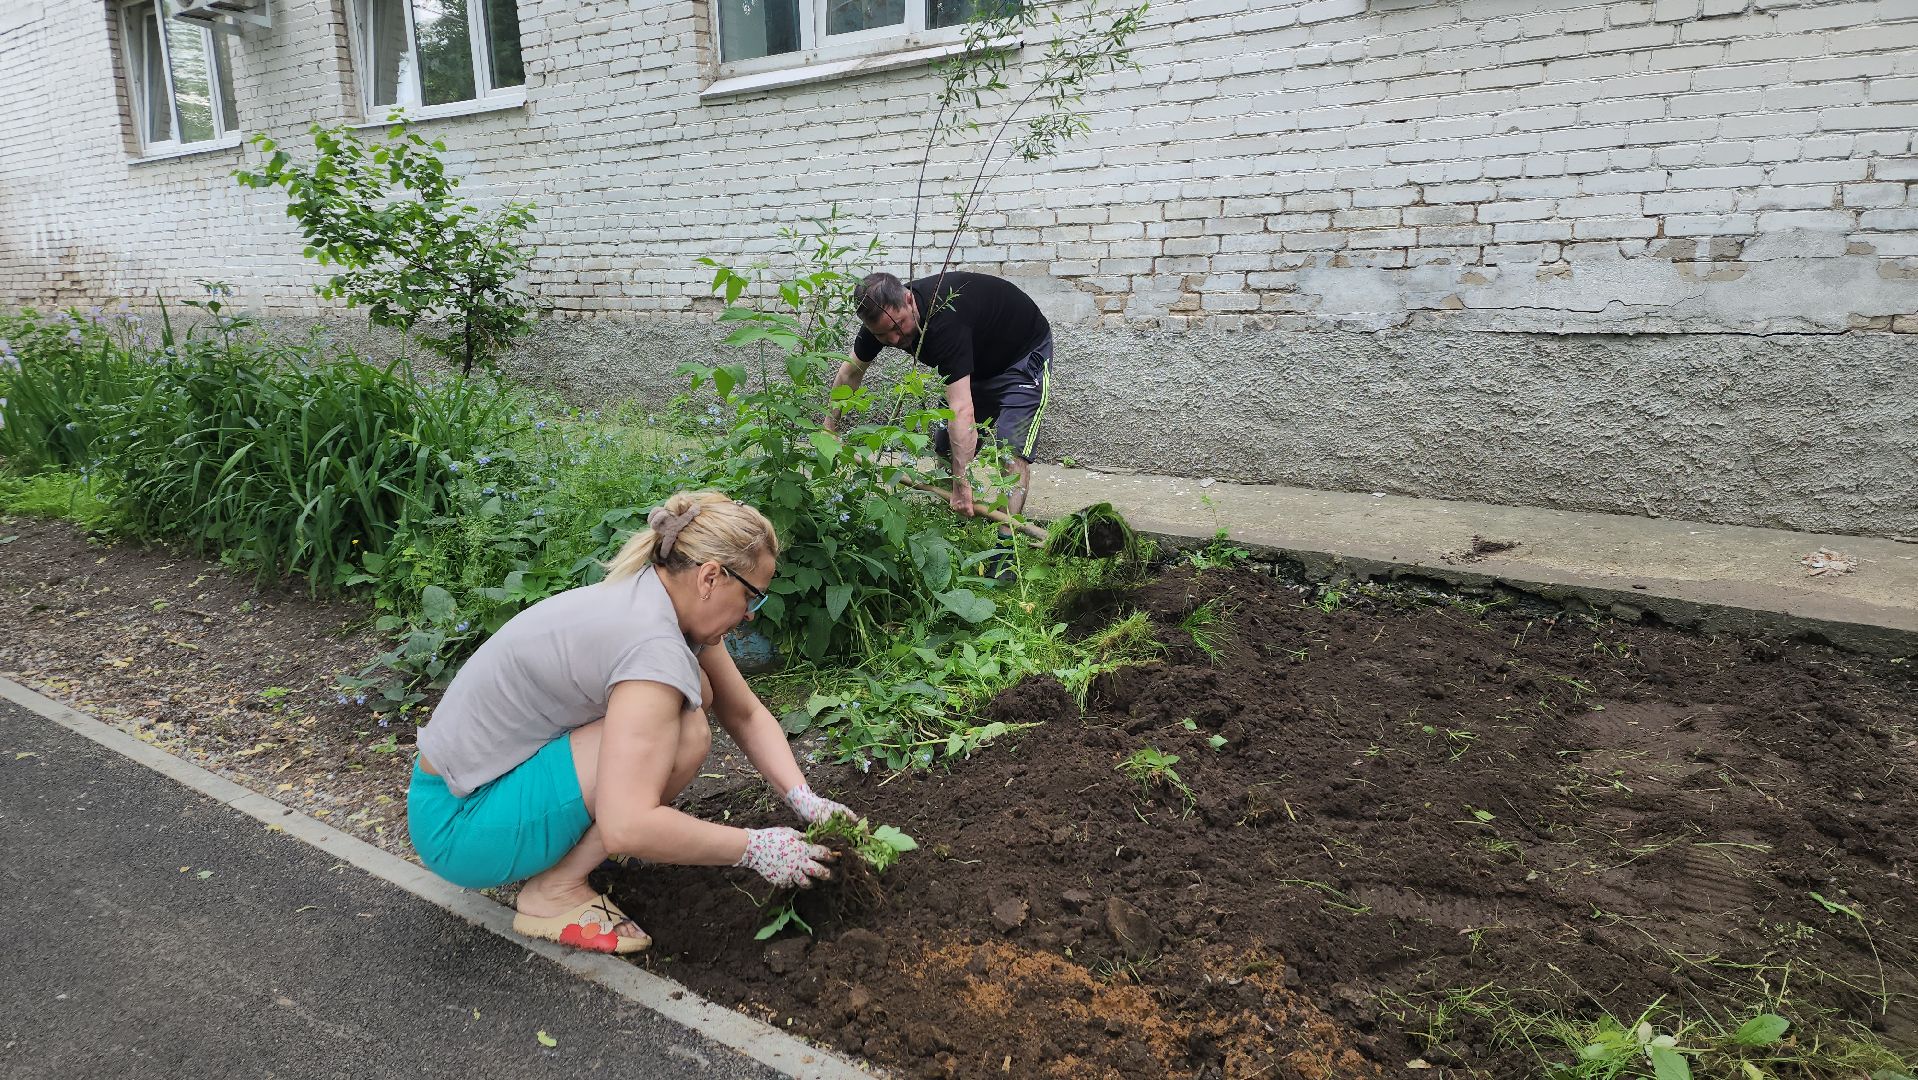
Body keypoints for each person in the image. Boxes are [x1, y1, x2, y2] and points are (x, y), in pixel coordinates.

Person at [407, 490, 856, 954]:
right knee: (685, 731)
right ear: (710, 577)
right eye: (751, 597)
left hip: (473, 792)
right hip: (461, 827)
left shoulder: (660, 597)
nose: (748, 615)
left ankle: (566, 856)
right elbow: (627, 826)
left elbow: (743, 712)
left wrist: (804, 798)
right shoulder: (652, 646)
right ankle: (554, 891)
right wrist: (754, 846)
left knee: (692, 705)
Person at [825, 270, 1053, 527]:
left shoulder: (945, 318)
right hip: (972, 365)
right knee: (946, 448)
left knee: (1011, 452)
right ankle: (955, 529)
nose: (894, 339)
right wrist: (828, 429)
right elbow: (849, 374)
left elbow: (961, 410)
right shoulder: (882, 320)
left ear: (909, 300)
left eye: (897, 326)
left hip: (1021, 357)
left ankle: (1004, 551)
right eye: (882, 336)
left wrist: (961, 481)